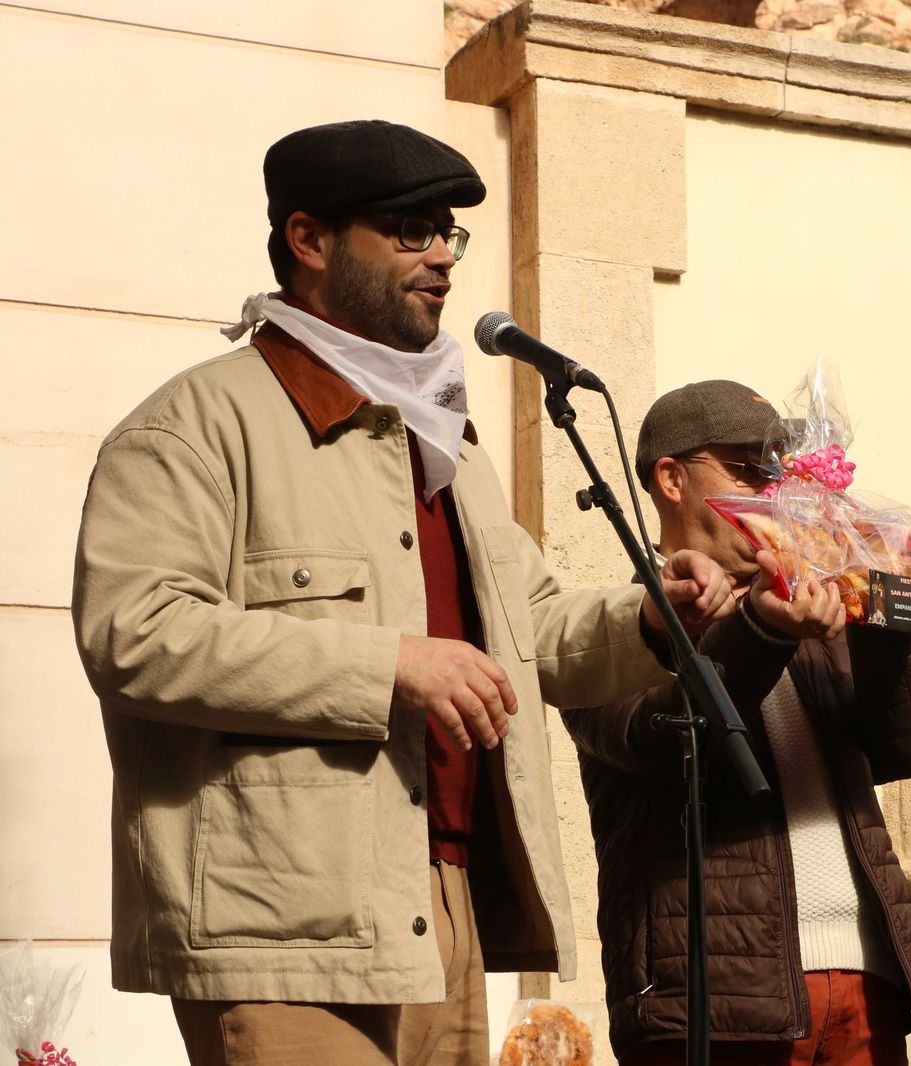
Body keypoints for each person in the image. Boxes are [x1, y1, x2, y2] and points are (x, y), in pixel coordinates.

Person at [70, 119, 733, 1066]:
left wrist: (655, 613)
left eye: (445, 232)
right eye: (407, 230)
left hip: (441, 905)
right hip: (280, 929)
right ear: (309, 241)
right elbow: (134, 632)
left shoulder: (448, 449)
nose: (440, 257)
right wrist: (389, 665)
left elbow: (533, 630)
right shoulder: (193, 425)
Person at [560, 380, 911, 1065]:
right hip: (716, 1001)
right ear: (672, 479)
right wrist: (759, 632)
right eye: (747, 469)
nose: (772, 491)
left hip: (866, 981)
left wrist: (893, 614)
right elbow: (658, 741)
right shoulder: (613, 634)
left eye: (780, 472)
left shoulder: (814, 614)